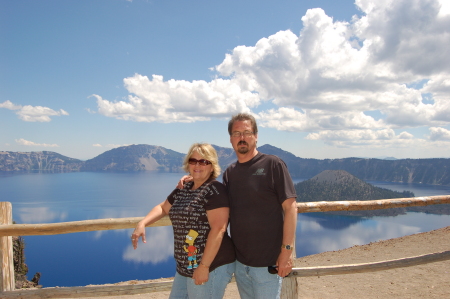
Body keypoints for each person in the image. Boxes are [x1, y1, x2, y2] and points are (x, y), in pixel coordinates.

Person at [131, 143, 235, 299]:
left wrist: (204, 266)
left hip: (212, 265)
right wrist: (142, 223)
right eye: (193, 161)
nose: (197, 165)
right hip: (185, 266)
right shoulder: (184, 188)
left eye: (203, 161)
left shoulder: (215, 190)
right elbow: (163, 207)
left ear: (212, 167)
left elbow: (219, 229)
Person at [223, 113, 297, 299]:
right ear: (231, 139)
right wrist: (192, 180)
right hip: (241, 263)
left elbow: (291, 208)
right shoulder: (230, 172)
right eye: (236, 133)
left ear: (256, 136)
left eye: (247, 133)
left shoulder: (273, 164)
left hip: (268, 264)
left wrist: (286, 253)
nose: (242, 138)